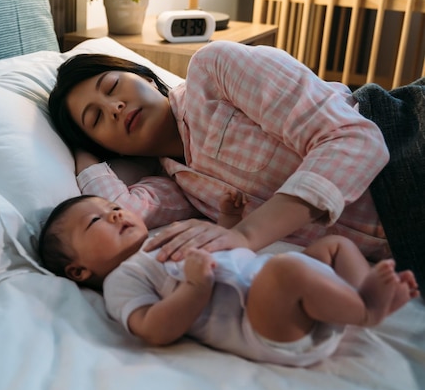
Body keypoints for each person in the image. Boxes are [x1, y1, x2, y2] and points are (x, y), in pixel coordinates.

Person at [47, 41, 425, 291]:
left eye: (113, 86)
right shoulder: (178, 185)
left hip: (408, 140)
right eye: (96, 120)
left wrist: (247, 236)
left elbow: (356, 139)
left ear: (146, 76)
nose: (114, 108)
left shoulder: (213, 71)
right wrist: (85, 155)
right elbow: (124, 213)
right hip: (408, 246)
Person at [37, 194, 418, 367]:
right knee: (284, 269)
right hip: (266, 325)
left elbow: (228, 255)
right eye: (96, 221)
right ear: (78, 271)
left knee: (333, 245)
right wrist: (195, 287)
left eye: (114, 207)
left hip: (296, 297)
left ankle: (357, 291)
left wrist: (227, 224)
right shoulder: (123, 279)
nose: (116, 215)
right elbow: (151, 329)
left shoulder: (163, 235)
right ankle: (366, 310)